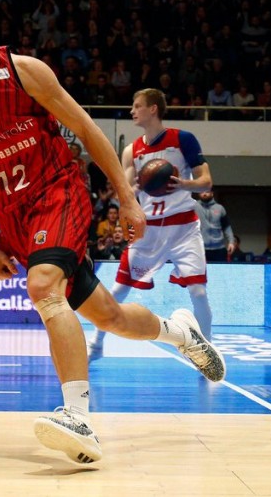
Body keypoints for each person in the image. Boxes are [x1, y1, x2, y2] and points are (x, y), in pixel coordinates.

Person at [0, 0, 224, 464]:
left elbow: (85, 128)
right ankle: (181, 333)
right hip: (14, 218)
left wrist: (127, 199)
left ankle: (78, 416)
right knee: (110, 317)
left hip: (58, 193)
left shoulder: (23, 71)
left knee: (43, 287)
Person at [88, 88, 215, 361]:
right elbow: (126, 193)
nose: (132, 111)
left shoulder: (183, 140)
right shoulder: (131, 150)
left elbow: (206, 181)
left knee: (199, 291)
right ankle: (96, 344)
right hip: (150, 230)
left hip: (183, 226)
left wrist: (183, 184)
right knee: (120, 288)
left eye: (137, 106)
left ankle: (207, 352)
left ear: (153, 109)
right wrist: (133, 189)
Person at [196, 189, 236, 262]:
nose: (204, 194)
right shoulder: (194, 207)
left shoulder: (220, 208)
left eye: (207, 192)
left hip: (219, 249)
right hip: (200, 248)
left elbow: (227, 227)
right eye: (202, 192)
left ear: (212, 193)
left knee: (220, 272)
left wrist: (231, 242)